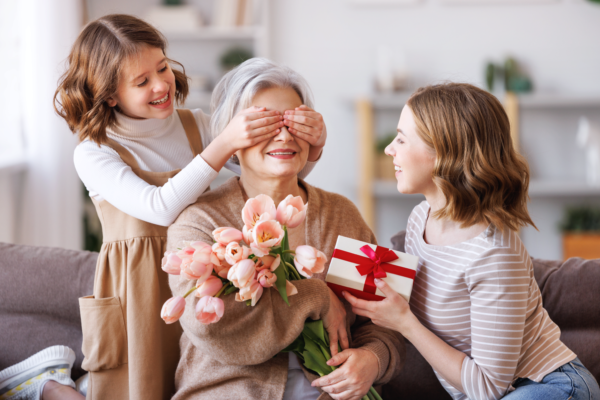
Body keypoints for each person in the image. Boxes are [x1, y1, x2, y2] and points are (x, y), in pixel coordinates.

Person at [0, 14, 327, 400]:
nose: (161, 84)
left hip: (199, 276)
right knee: (135, 388)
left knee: (193, 375)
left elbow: (273, 171)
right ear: (109, 94)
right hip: (138, 285)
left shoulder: (197, 126)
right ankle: (46, 385)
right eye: (142, 81)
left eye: (162, 67)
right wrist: (222, 143)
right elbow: (159, 208)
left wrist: (314, 145)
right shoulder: (94, 151)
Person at [341, 83, 600, 400]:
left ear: (443, 152)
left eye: (401, 139)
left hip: (547, 386)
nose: (389, 150)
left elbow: (488, 388)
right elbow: (389, 285)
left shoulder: (494, 253)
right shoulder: (420, 219)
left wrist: (406, 324)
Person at [166, 58, 405, 400]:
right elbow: (211, 326)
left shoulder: (342, 215)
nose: (283, 134)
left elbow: (385, 319)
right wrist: (316, 296)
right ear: (233, 134)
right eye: (263, 122)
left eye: (295, 122)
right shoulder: (201, 221)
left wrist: (373, 359)